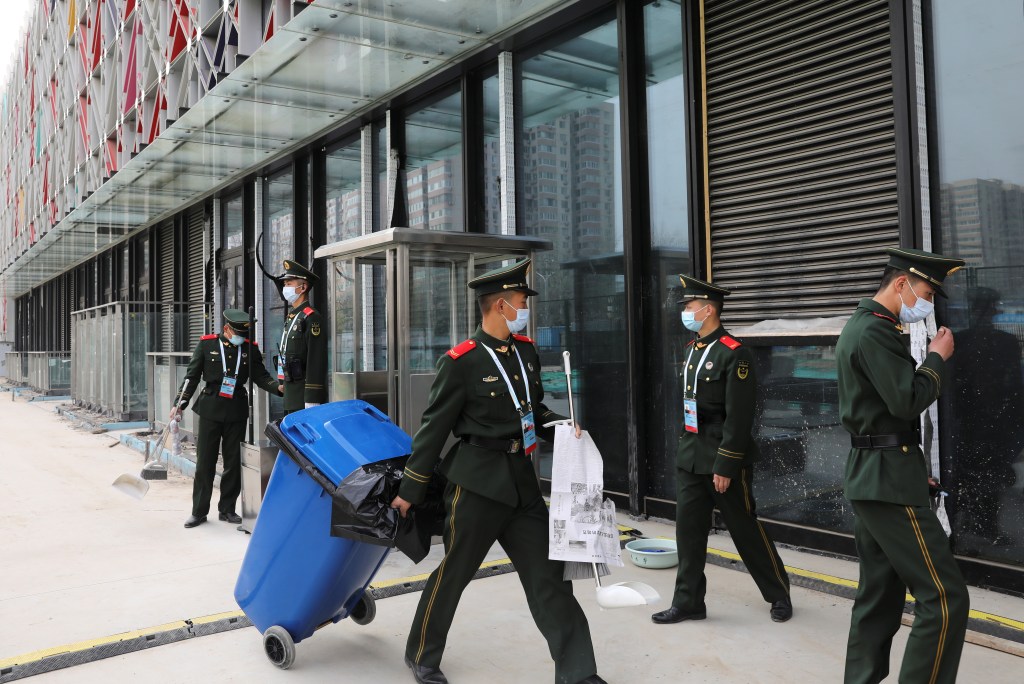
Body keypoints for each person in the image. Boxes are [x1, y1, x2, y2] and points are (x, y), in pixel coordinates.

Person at [390, 259, 606, 684]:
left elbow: (533, 409)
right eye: (521, 301)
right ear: (500, 305)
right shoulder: (461, 362)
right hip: (476, 484)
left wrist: (562, 426)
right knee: (454, 574)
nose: (525, 307)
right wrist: (410, 489)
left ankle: (578, 673)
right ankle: (421, 655)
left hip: (522, 483)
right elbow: (434, 429)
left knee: (551, 579)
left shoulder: (524, 351)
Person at [836, 247, 970, 684]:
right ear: (901, 284)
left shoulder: (865, 327)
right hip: (887, 483)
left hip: (879, 473)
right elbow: (906, 400)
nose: (927, 302)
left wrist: (914, 468)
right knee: (945, 598)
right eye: (926, 291)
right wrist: (936, 358)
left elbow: (882, 417)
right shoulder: (874, 332)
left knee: (879, 595)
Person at [652, 275, 792, 627]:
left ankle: (778, 594)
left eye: (689, 306)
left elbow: (740, 417)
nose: (685, 312)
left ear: (708, 309)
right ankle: (688, 603)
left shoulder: (734, 353)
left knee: (745, 530)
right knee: (688, 533)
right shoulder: (691, 350)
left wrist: (727, 465)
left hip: (722, 459)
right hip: (691, 456)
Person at [171, 309, 282, 528]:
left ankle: (227, 509)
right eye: (237, 332)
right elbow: (191, 377)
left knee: (233, 462)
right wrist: (179, 404)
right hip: (210, 408)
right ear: (226, 329)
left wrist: (278, 388)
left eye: (243, 333)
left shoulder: (250, 349)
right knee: (205, 462)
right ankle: (199, 511)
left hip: (236, 410)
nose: (240, 337)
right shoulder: (207, 345)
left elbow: (261, 376)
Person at [948, 286, 1024, 548]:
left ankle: (966, 527)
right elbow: (1015, 389)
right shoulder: (1007, 343)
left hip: (973, 423)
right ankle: (982, 527)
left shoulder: (960, 341)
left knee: (973, 477)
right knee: (986, 478)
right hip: (985, 423)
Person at [274, 260, 328, 415]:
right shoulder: (293, 317)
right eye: (285, 284)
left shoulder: (311, 317)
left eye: (289, 284)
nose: (285, 288)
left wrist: (312, 397)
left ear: (303, 287)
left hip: (303, 397)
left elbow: (316, 359)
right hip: (291, 394)